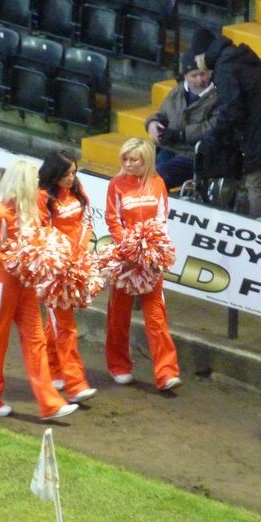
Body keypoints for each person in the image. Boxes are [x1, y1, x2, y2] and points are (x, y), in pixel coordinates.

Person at [0, 159, 78, 421]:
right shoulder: (0, 213)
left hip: (26, 286)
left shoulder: (31, 211)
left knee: (36, 341)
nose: (38, 186)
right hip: (3, 285)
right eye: (33, 182)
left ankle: (50, 404)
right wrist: (19, 261)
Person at [189, 28, 261, 222]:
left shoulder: (225, 67)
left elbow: (231, 110)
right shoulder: (240, 55)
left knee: (256, 183)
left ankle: (260, 234)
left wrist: (214, 137)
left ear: (203, 54)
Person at [104, 138, 181, 391]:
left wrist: (151, 249)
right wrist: (128, 246)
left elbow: (161, 219)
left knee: (156, 315)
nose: (127, 163)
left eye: (133, 159)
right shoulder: (116, 185)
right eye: (124, 159)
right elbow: (113, 220)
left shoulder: (157, 183)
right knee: (118, 314)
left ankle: (166, 372)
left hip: (151, 260)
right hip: (125, 259)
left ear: (145, 160)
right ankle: (118, 365)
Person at [37, 151, 97, 404]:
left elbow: (87, 222)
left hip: (76, 264)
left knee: (57, 324)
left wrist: (81, 250)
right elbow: (42, 232)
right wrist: (62, 257)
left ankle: (54, 372)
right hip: (55, 269)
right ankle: (75, 383)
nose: (71, 178)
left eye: (74, 172)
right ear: (54, 174)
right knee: (65, 327)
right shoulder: (42, 198)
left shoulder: (77, 190)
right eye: (66, 174)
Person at [145, 50, 219, 191]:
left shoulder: (217, 97)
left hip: (192, 156)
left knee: (157, 178)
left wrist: (180, 134)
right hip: (169, 149)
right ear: (185, 76)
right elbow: (163, 114)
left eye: (202, 74)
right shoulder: (178, 91)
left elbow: (211, 127)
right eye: (194, 75)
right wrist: (152, 123)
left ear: (209, 73)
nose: (199, 79)